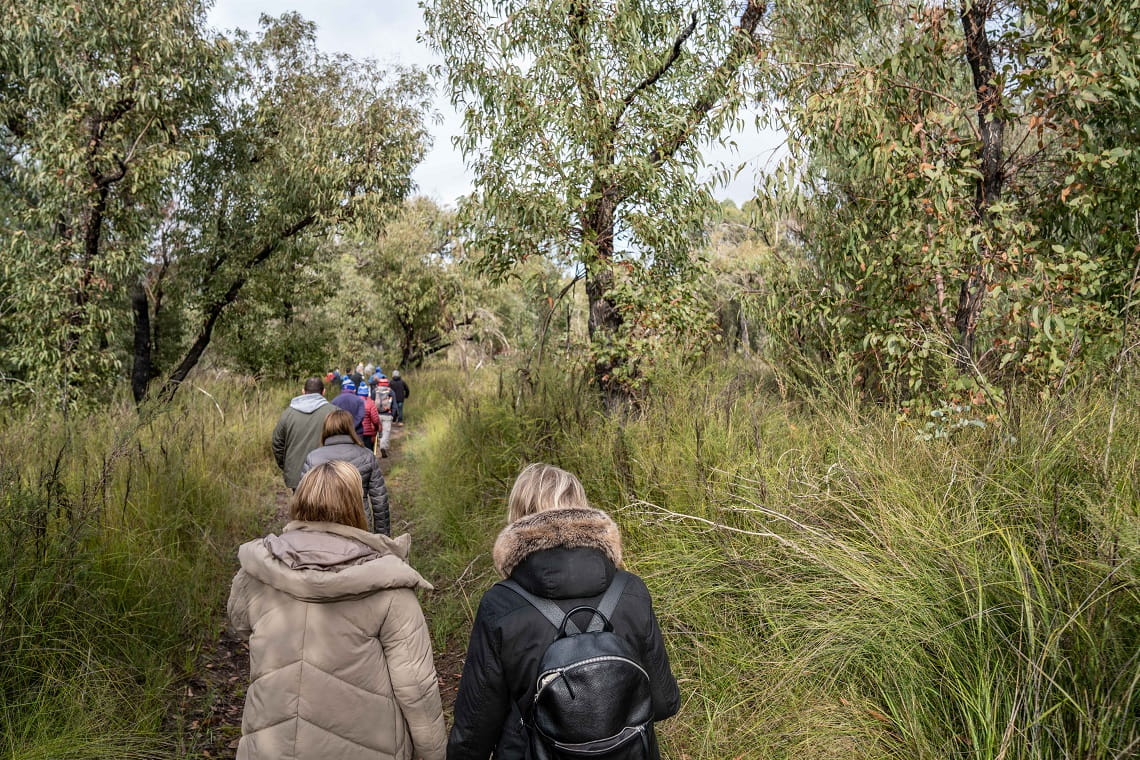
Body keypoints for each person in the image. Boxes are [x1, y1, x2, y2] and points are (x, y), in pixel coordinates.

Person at [447, 463, 680, 760]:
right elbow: (665, 702)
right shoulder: (631, 591)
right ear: (582, 511)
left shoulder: (501, 605)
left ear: (518, 517)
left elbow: (475, 727)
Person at [227, 460, 445, 760]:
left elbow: (239, 622)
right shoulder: (388, 585)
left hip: (270, 745)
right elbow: (416, 687)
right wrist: (434, 754)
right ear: (356, 507)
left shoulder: (258, 572)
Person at [300, 410, 389, 535]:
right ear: (351, 428)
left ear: (326, 428)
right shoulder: (367, 456)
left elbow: (302, 499)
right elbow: (379, 500)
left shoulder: (312, 458)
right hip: (359, 522)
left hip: (321, 523)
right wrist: (383, 537)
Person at [271, 377, 335, 490]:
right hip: (326, 475)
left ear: (303, 391)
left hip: (296, 475)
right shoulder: (334, 412)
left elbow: (277, 443)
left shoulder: (288, 414)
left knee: (300, 507)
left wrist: (287, 465)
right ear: (323, 392)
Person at [357, 381, 382, 451]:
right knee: (368, 452)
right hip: (367, 434)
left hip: (355, 433)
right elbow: (375, 419)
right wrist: (377, 428)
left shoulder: (353, 402)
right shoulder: (370, 403)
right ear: (367, 393)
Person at [375, 377, 396, 458]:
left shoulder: (375, 390)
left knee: (378, 431)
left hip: (377, 414)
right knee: (386, 432)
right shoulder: (390, 391)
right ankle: (383, 447)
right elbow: (394, 405)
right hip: (387, 415)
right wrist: (393, 415)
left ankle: (377, 446)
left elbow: (372, 402)